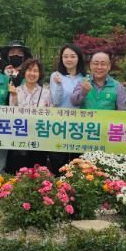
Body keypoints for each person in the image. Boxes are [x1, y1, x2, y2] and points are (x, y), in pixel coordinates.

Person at [8, 58, 52, 172]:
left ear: (40, 74)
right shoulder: (15, 90)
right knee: (20, 172)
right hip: (20, 139)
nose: (32, 73)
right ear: (24, 72)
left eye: (35, 71)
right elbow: (11, 114)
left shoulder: (46, 93)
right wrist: (14, 97)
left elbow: (50, 114)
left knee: (38, 173)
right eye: (29, 70)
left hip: (39, 139)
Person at [49, 43, 87, 171]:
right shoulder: (56, 76)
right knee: (59, 162)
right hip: (59, 124)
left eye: (72, 56)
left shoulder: (85, 78)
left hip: (79, 125)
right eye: (65, 56)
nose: (69, 59)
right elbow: (56, 101)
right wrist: (59, 84)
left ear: (78, 58)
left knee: (77, 163)